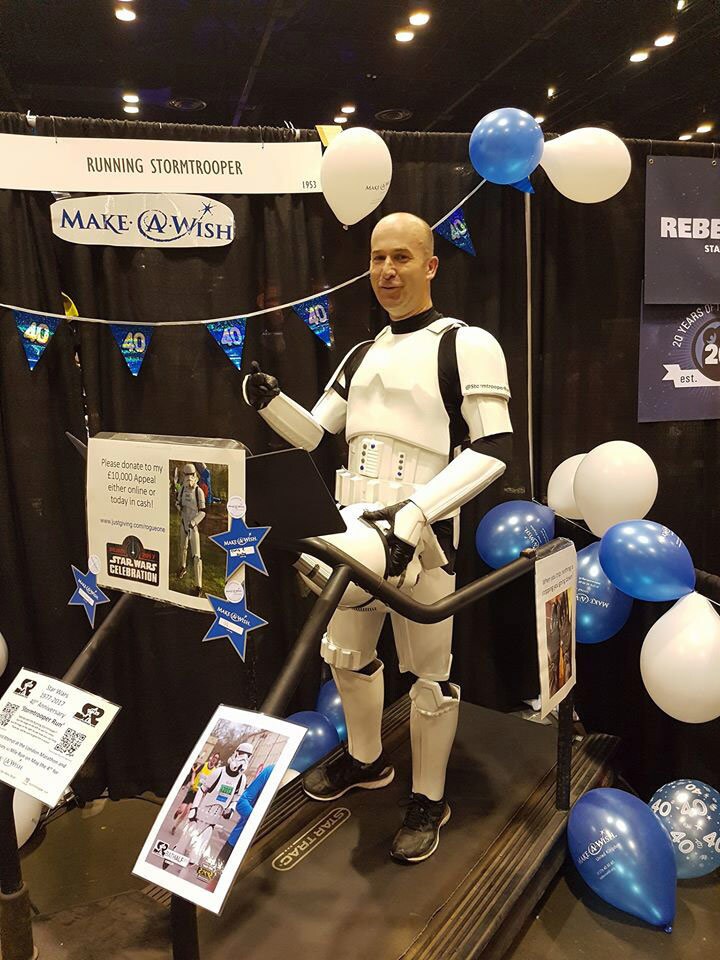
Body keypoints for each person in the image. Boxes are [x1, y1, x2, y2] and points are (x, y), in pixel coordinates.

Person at [243, 212, 512, 862]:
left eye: (400, 257)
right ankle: (365, 759)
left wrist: (415, 514)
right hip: (352, 528)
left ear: (430, 265)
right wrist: (268, 402)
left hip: (423, 541)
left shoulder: (465, 344)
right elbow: (314, 433)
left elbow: (496, 446)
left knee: (428, 676)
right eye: (376, 259)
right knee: (345, 655)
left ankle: (428, 796)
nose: (387, 271)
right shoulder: (360, 355)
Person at [172, 742, 254, 867]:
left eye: (248, 756)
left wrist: (231, 809)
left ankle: (183, 872)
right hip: (199, 815)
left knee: (194, 857)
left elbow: (236, 798)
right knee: (182, 844)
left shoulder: (241, 779)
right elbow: (202, 789)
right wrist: (194, 808)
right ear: (236, 753)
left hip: (213, 820)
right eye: (242, 753)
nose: (244, 758)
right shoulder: (219, 772)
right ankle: (172, 858)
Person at [214, 764, 275, 871]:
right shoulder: (271, 770)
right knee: (215, 879)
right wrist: (260, 822)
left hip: (267, 849)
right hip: (238, 840)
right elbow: (242, 802)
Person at [175, 462, 206, 596]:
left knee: (196, 556)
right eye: (186, 475)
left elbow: (203, 511)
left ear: (195, 475)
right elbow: (178, 502)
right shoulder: (182, 489)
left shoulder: (198, 491)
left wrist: (194, 522)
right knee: (182, 547)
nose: (189, 478)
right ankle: (182, 567)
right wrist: (178, 506)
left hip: (193, 525)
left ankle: (198, 586)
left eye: (191, 475)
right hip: (183, 522)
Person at [171, 751, 220, 835]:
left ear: (217, 761)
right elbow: (194, 772)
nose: (214, 759)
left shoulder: (215, 771)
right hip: (192, 790)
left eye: (216, 758)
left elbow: (213, 784)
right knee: (181, 810)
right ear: (211, 757)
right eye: (214, 757)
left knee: (186, 812)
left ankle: (175, 826)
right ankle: (178, 811)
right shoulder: (204, 765)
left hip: (199, 794)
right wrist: (192, 781)